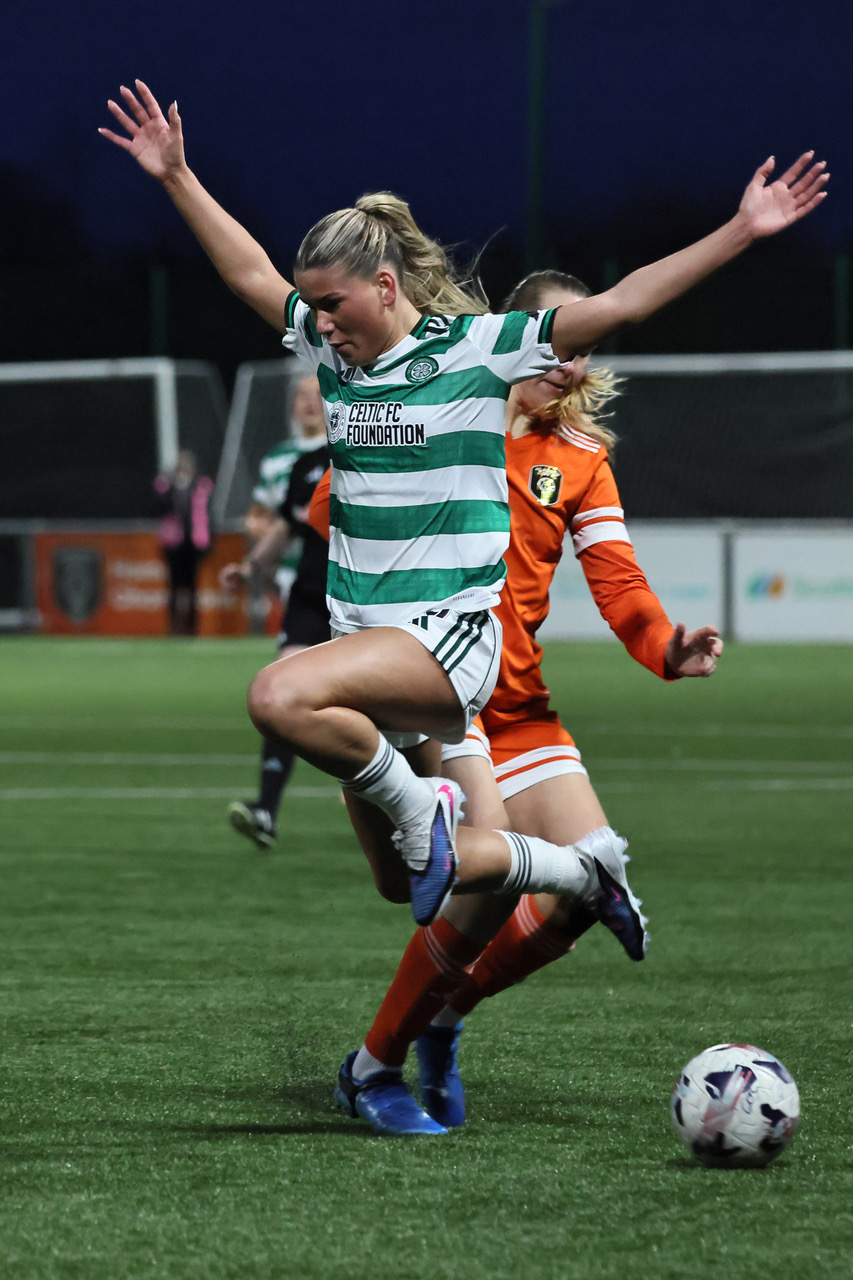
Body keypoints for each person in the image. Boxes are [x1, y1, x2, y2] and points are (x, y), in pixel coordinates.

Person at [101, 80, 827, 954]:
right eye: (312, 307)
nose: (318, 321)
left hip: (447, 641)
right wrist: (176, 176)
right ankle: (579, 871)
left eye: (331, 304)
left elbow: (624, 302)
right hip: (366, 644)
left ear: (383, 285)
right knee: (403, 881)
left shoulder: (478, 350)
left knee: (275, 694)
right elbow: (250, 273)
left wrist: (742, 228)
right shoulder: (333, 354)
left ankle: (422, 812)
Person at [328, 269, 726, 1135]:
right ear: (515, 335)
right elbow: (342, 512)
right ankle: (377, 1063)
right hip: (432, 700)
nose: (569, 364)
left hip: (517, 710)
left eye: (584, 350)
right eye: (560, 342)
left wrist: (664, 645)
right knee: (473, 879)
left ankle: (438, 1017)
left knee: (586, 885)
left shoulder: (578, 460)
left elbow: (618, 582)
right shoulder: (438, 410)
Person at [220, 373, 330, 849]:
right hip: (309, 593)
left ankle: (414, 806)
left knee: (383, 708)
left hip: (362, 597)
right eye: (301, 396)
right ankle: (265, 809)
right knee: (281, 692)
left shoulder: (363, 452)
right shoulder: (304, 464)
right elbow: (284, 525)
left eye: (317, 395)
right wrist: (250, 568)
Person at [152, 448, 214, 635]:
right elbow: (159, 501)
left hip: (193, 542)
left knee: (192, 585)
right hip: (173, 542)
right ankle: (173, 626)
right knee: (174, 585)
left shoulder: (200, 485)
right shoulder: (169, 486)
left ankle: (192, 626)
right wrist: (168, 482)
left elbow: (205, 512)